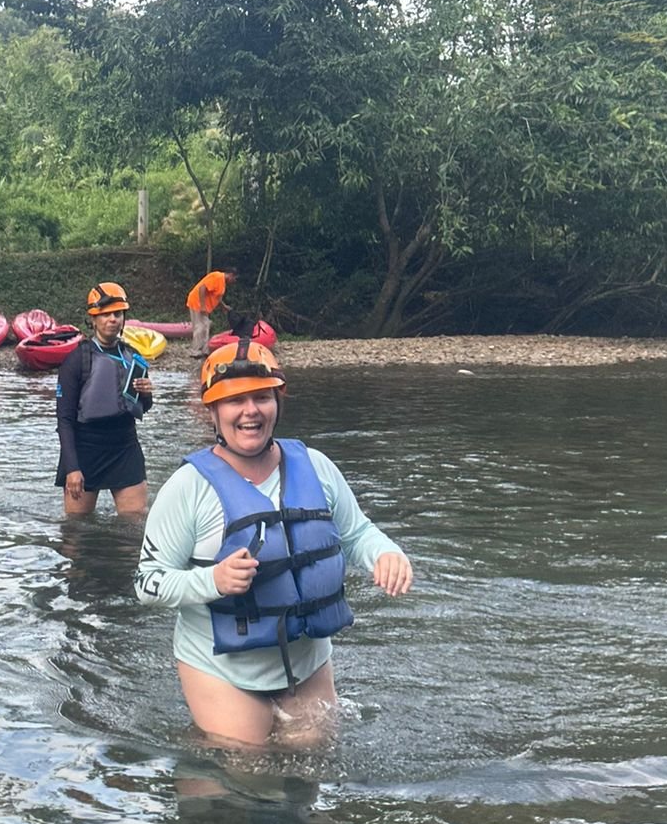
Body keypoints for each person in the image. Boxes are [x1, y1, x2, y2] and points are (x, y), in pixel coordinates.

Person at [136, 334, 414, 749]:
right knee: (246, 769)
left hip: (308, 664)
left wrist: (385, 553)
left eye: (262, 397)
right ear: (212, 411)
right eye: (234, 400)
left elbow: (357, 532)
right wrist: (212, 581)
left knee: (312, 759)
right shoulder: (187, 488)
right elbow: (147, 582)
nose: (250, 410)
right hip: (223, 670)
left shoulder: (316, 466)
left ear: (278, 403)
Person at [55, 281, 155, 518]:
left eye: (118, 314)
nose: (113, 319)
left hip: (125, 446)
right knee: (76, 526)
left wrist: (147, 394)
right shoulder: (76, 360)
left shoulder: (133, 356)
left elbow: (143, 407)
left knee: (134, 521)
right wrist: (72, 468)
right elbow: (64, 420)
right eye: (106, 314)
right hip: (86, 449)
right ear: (93, 319)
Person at [186, 269, 233, 358]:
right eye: (234, 279)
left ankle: (205, 350)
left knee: (206, 325)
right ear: (231, 275)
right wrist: (202, 305)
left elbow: (217, 297)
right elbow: (202, 288)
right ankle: (195, 350)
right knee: (200, 326)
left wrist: (224, 306)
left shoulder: (222, 283)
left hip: (205, 306)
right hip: (197, 302)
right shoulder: (217, 277)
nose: (233, 281)